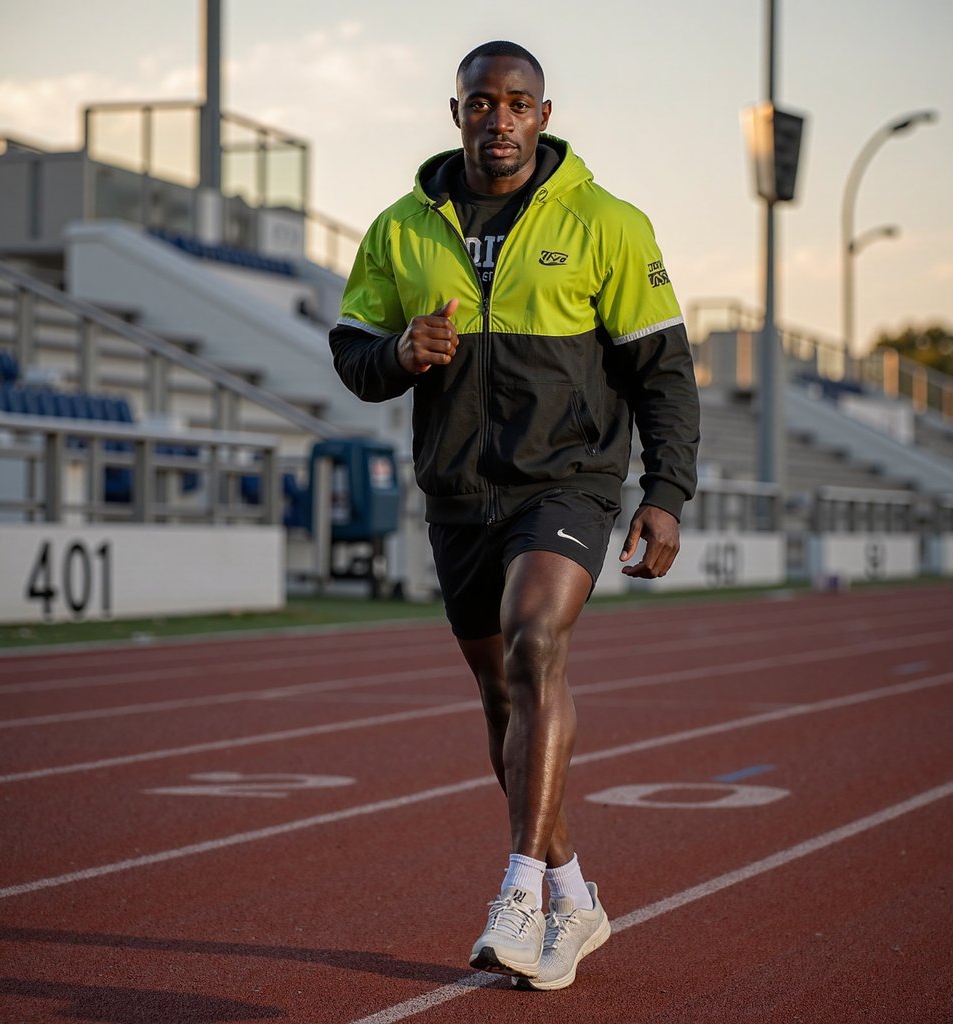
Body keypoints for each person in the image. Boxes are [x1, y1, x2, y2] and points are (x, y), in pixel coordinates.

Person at [329, 40, 700, 990]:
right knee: (506, 705)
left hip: (567, 481)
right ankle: (574, 895)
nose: (500, 119)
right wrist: (401, 353)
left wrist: (664, 493)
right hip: (458, 492)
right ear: (456, 112)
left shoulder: (607, 223)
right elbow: (353, 350)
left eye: (519, 103)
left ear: (544, 114)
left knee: (537, 644)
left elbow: (662, 371)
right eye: (483, 103)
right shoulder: (400, 230)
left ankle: (520, 891)